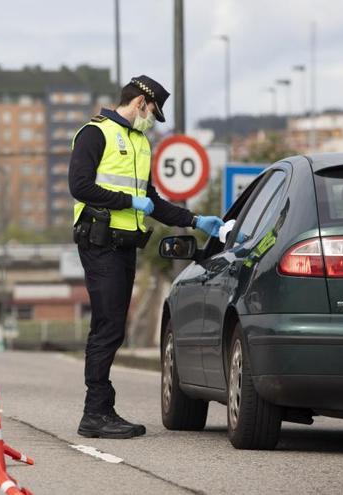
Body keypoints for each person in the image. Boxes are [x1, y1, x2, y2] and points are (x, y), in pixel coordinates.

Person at [69, 75, 224, 439]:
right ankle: (95, 412)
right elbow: (80, 186)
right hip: (98, 240)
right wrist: (128, 201)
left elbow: (150, 198)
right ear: (140, 102)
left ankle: (100, 409)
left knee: (112, 327)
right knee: (107, 327)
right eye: (153, 111)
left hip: (124, 245)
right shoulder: (96, 133)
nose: (152, 119)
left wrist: (195, 220)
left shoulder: (140, 143)